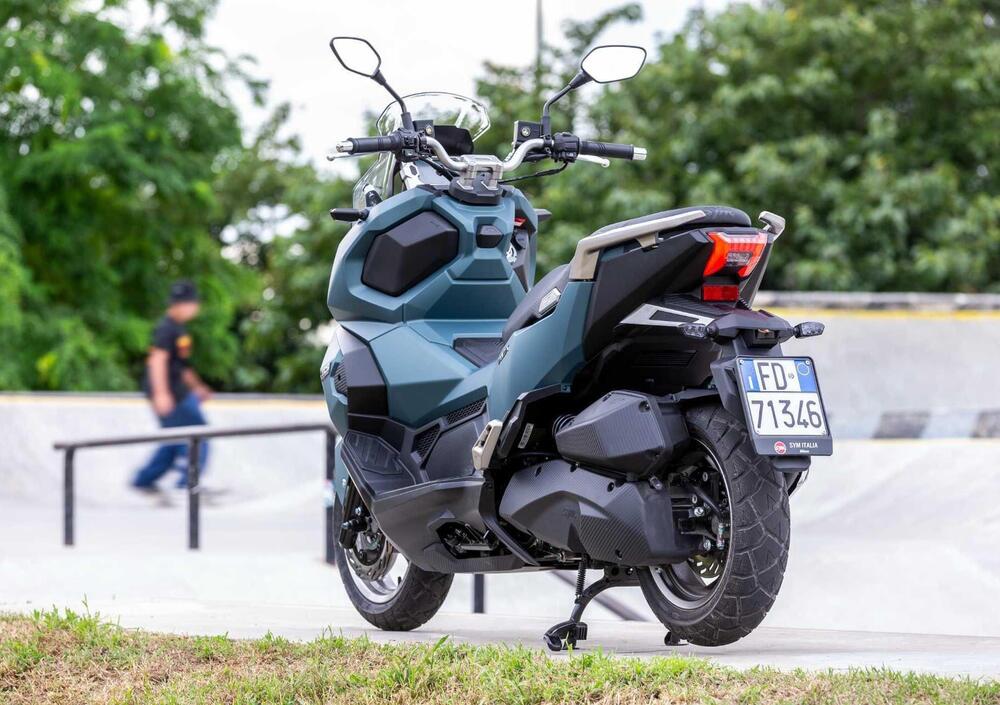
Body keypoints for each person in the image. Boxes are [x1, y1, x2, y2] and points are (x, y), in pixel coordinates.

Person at [132, 280, 213, 495]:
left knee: (173, 439)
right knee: (199, 435)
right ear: (184, 304)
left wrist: (198, 387)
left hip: (178, 391)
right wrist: (161, 393)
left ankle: (143, 480)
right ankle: (187, 484)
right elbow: (157, 360)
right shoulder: (166, 328)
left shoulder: (179, 329)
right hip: (172, 393)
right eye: (193, 304)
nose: (195, 309)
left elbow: (183, 367)